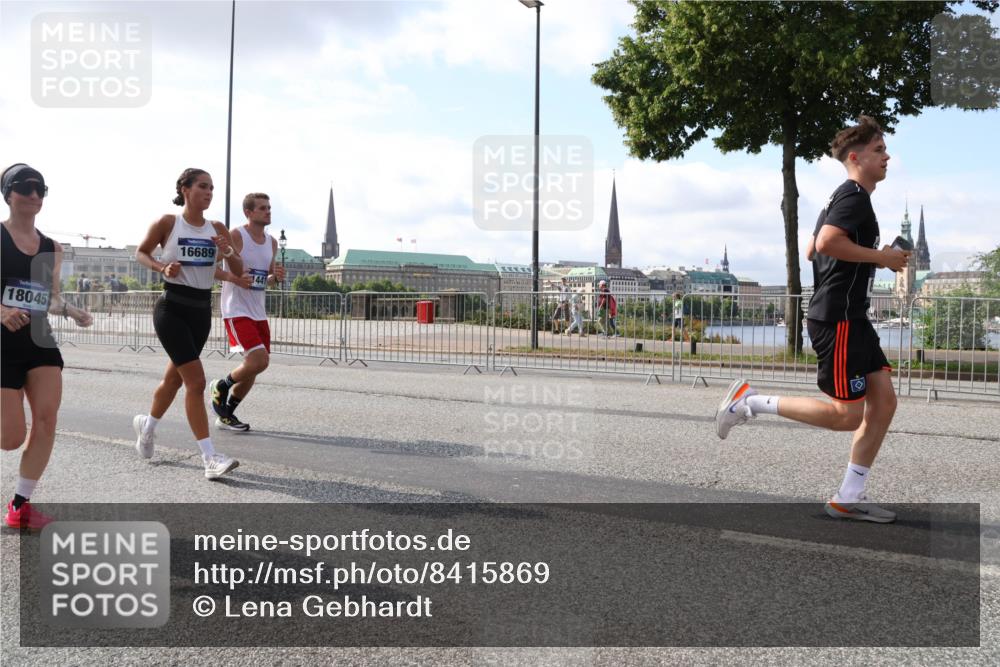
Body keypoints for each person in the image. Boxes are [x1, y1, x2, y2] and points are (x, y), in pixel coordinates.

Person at [715, 115, 910, 523]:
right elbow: (824, 243)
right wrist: (882, 257)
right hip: (837, 319)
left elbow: (811, 251)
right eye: (879, 150)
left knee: (885, 402)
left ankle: (848, 496)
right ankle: (750, 402)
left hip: (852, 317)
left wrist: (872, 255)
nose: (887, 156)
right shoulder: (853, 197)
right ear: (856, 158)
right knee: (847, 415)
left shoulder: (842, 198)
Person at [132, 168, 244, 480]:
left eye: (212, 188)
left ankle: (147, 427)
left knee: (174, 379)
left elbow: (237, 266)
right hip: (172, 308)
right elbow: (141, 253)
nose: (208, 193)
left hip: (200, 312)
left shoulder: (217, 227)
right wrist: (160, 266)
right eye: (202, 187)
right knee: (195, 383)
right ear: (185, 189)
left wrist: (227, 251)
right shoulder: (168, 223)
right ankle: (210, 457)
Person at [1, 163, 92, 529]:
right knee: (10, 438)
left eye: (41, 189)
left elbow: (48, 298)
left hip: (39, 340)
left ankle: (20, 506)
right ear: (9, 194)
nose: (35, 195)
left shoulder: (52, 248)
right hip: (1, 343)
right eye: (26, 188)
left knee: (46, 419)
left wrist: (71, 311)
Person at [210, 192, 285, 431]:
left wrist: (276, 278)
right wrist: (234, 278)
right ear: (248, 213)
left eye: (269, 208)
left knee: (257, 365)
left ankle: (227, 414)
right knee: (257, 360)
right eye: (263, 208)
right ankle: (221, 385)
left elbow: (267, 279)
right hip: (236, 308)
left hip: (258, 311)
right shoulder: (236, 236)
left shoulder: (272, 242)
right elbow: (210, 267)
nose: (268, 211)